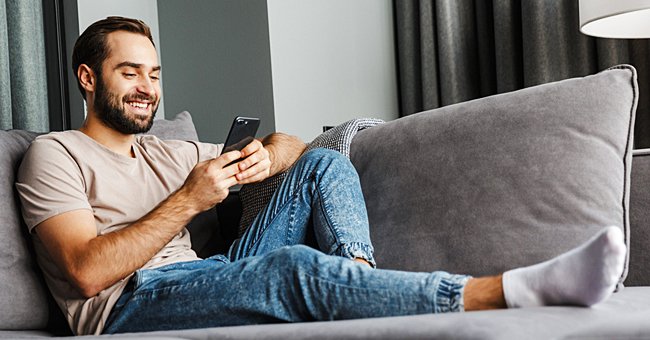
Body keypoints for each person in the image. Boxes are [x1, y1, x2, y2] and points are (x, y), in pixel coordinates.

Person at [16, 17, 626, 336]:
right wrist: (188, 201)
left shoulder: (164, 152)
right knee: (290, 269)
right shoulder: (55, 155)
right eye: (130, 73)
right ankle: (505, 291)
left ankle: (357, 286)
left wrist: (270, 158)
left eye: (154, 74)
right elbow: (85, 272)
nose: (148, 89)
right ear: (88, 78)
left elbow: (293, 143)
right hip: (129, 304)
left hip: (208, 276)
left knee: (323, 163)